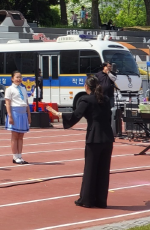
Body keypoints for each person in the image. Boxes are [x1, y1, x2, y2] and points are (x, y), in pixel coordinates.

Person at [47, 76, 114, 208]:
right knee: (103, 170)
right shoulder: (105, 99)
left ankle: (87, 200)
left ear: (86, 86)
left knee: (90, 169)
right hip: (107, 137)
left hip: (94, 137)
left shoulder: (86, 100)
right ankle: (101, 200)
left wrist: (58, 114)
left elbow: (75, 115)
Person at [5, 71, 31, 164]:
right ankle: (15, 156)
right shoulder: (10, 89)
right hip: (15, 112)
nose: (19, 79)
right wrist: (10, 116)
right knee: (15, 135)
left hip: (23, 112)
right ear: (12, 78)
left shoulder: (23, 88)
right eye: (17, 77)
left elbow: (26, 102)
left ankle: (20, 155)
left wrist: (29, 115)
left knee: (21, 136)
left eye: (20, 77)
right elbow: (7, 103)